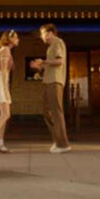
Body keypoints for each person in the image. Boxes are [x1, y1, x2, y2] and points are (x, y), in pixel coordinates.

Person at [31, 24, 71, 153]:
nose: (41, 36)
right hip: (48, 81)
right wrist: (40, 67)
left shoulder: (58, 42)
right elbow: (51, 64)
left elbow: (60, 62)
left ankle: (63, 145)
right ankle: (58, 141)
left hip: (55, 81)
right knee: (46, 111)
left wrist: (43, 62)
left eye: (42, 33)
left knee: (56, 113)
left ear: (50, 33)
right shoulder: (50, 48)